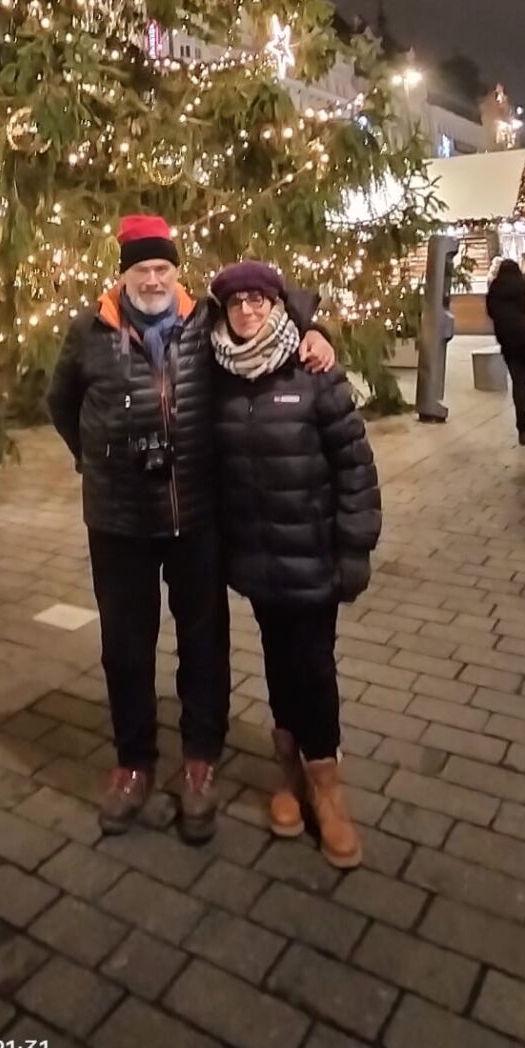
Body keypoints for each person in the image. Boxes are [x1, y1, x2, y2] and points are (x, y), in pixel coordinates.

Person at [47, 214, 334, 843]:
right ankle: (134, 763)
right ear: (123, 274)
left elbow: (277, 311)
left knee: (204, 644)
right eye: (141, 269)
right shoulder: (89, 330)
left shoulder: (206, 322)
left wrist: (316, 331)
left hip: (196, 515)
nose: (153, 279)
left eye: (163, 268)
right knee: (125, 647)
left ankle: (201, 762)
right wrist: (95, 458)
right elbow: (60, 403)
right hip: (118, 519)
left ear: (177, 271)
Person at [208, 261, 380, 867]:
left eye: (259, 300)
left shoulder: (313, 369)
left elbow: (355, 466)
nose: (248, 311)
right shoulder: (217, 371)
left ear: (279, 305)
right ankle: (289, 774)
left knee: (314, 665)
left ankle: (326, 787)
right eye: (237, 303)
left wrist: (355, 546)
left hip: (313, 553)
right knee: (279, 660)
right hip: (257, 555)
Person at [486, 259, 525, 444]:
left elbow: (491, 313)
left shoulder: (494, 290)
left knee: (519, 386)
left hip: (509, 346)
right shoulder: (524, 286)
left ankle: (523, 429)